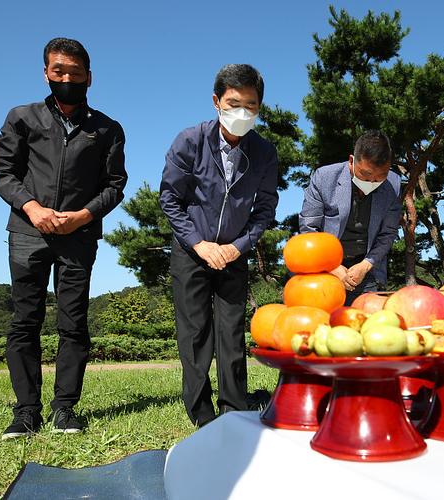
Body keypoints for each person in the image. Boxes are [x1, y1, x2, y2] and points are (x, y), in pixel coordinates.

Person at [0, 38, 128, 439]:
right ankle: (26, 411)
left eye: (75, 72)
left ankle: (65, 409)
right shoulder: (22, 117)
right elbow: (2, 173)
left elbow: (115, 184)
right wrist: (32, 208)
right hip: (27, 234)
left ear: (89, 76)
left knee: (73, 323)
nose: (67, 78)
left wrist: (83, 216)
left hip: (78, 237)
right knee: (24, 321)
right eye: (58, 71)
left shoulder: (106, 129)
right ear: (47, 73)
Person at [160, 64, 278, 427]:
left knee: (231, 330)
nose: (242, 113)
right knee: (195, 332)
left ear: (260, 107)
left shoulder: (264, 152)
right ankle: (200, 411)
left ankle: (233, 406)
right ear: (216, 101)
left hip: (233, 254)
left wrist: (238, 246)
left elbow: (265, 209)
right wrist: (198, 244)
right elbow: (170, 199)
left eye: (251, 105)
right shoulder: (190, 141)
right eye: (234, 103)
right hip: (191, 251)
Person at [299, 130, 401, 305]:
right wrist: (331, 266)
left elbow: (387, 234)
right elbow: (309, 229)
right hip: (323, 264)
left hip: (365, 269)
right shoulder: (324, 178)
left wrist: (366, 265)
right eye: (366, 174)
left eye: (380, 177)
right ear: (352, 161)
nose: (372, 182)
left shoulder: (394, 184)